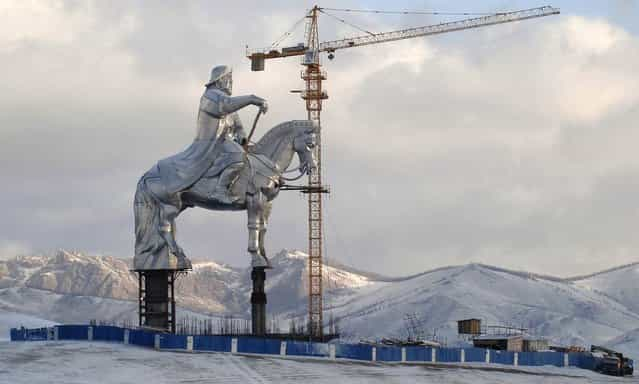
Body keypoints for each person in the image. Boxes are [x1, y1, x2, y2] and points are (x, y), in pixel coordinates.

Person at [157, 65, 268, 204]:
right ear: (220, 80)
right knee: (237, 156)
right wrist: (252, 99)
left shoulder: (228, 104)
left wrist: (242, 137)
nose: (231, 82)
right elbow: (225, 105)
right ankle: (220, 191)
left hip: (223, 142)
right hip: (210, 143)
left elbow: (238, 127)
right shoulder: (211, 96)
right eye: (228, 78)